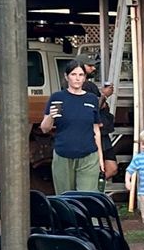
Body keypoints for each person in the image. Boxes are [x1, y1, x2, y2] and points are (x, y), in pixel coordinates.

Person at [40, 61, 104, 195]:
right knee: (66, 199)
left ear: (85, 77)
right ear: (66, 76)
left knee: (87, 198)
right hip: (63, 154)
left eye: (81, 74)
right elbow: (45, 128)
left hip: (89, 155)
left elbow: (96, 130)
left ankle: (87, 217)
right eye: (73, 74)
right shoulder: (58, 97)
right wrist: (51, 115)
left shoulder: (91, 99)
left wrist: (100, 158)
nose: (77, 78)